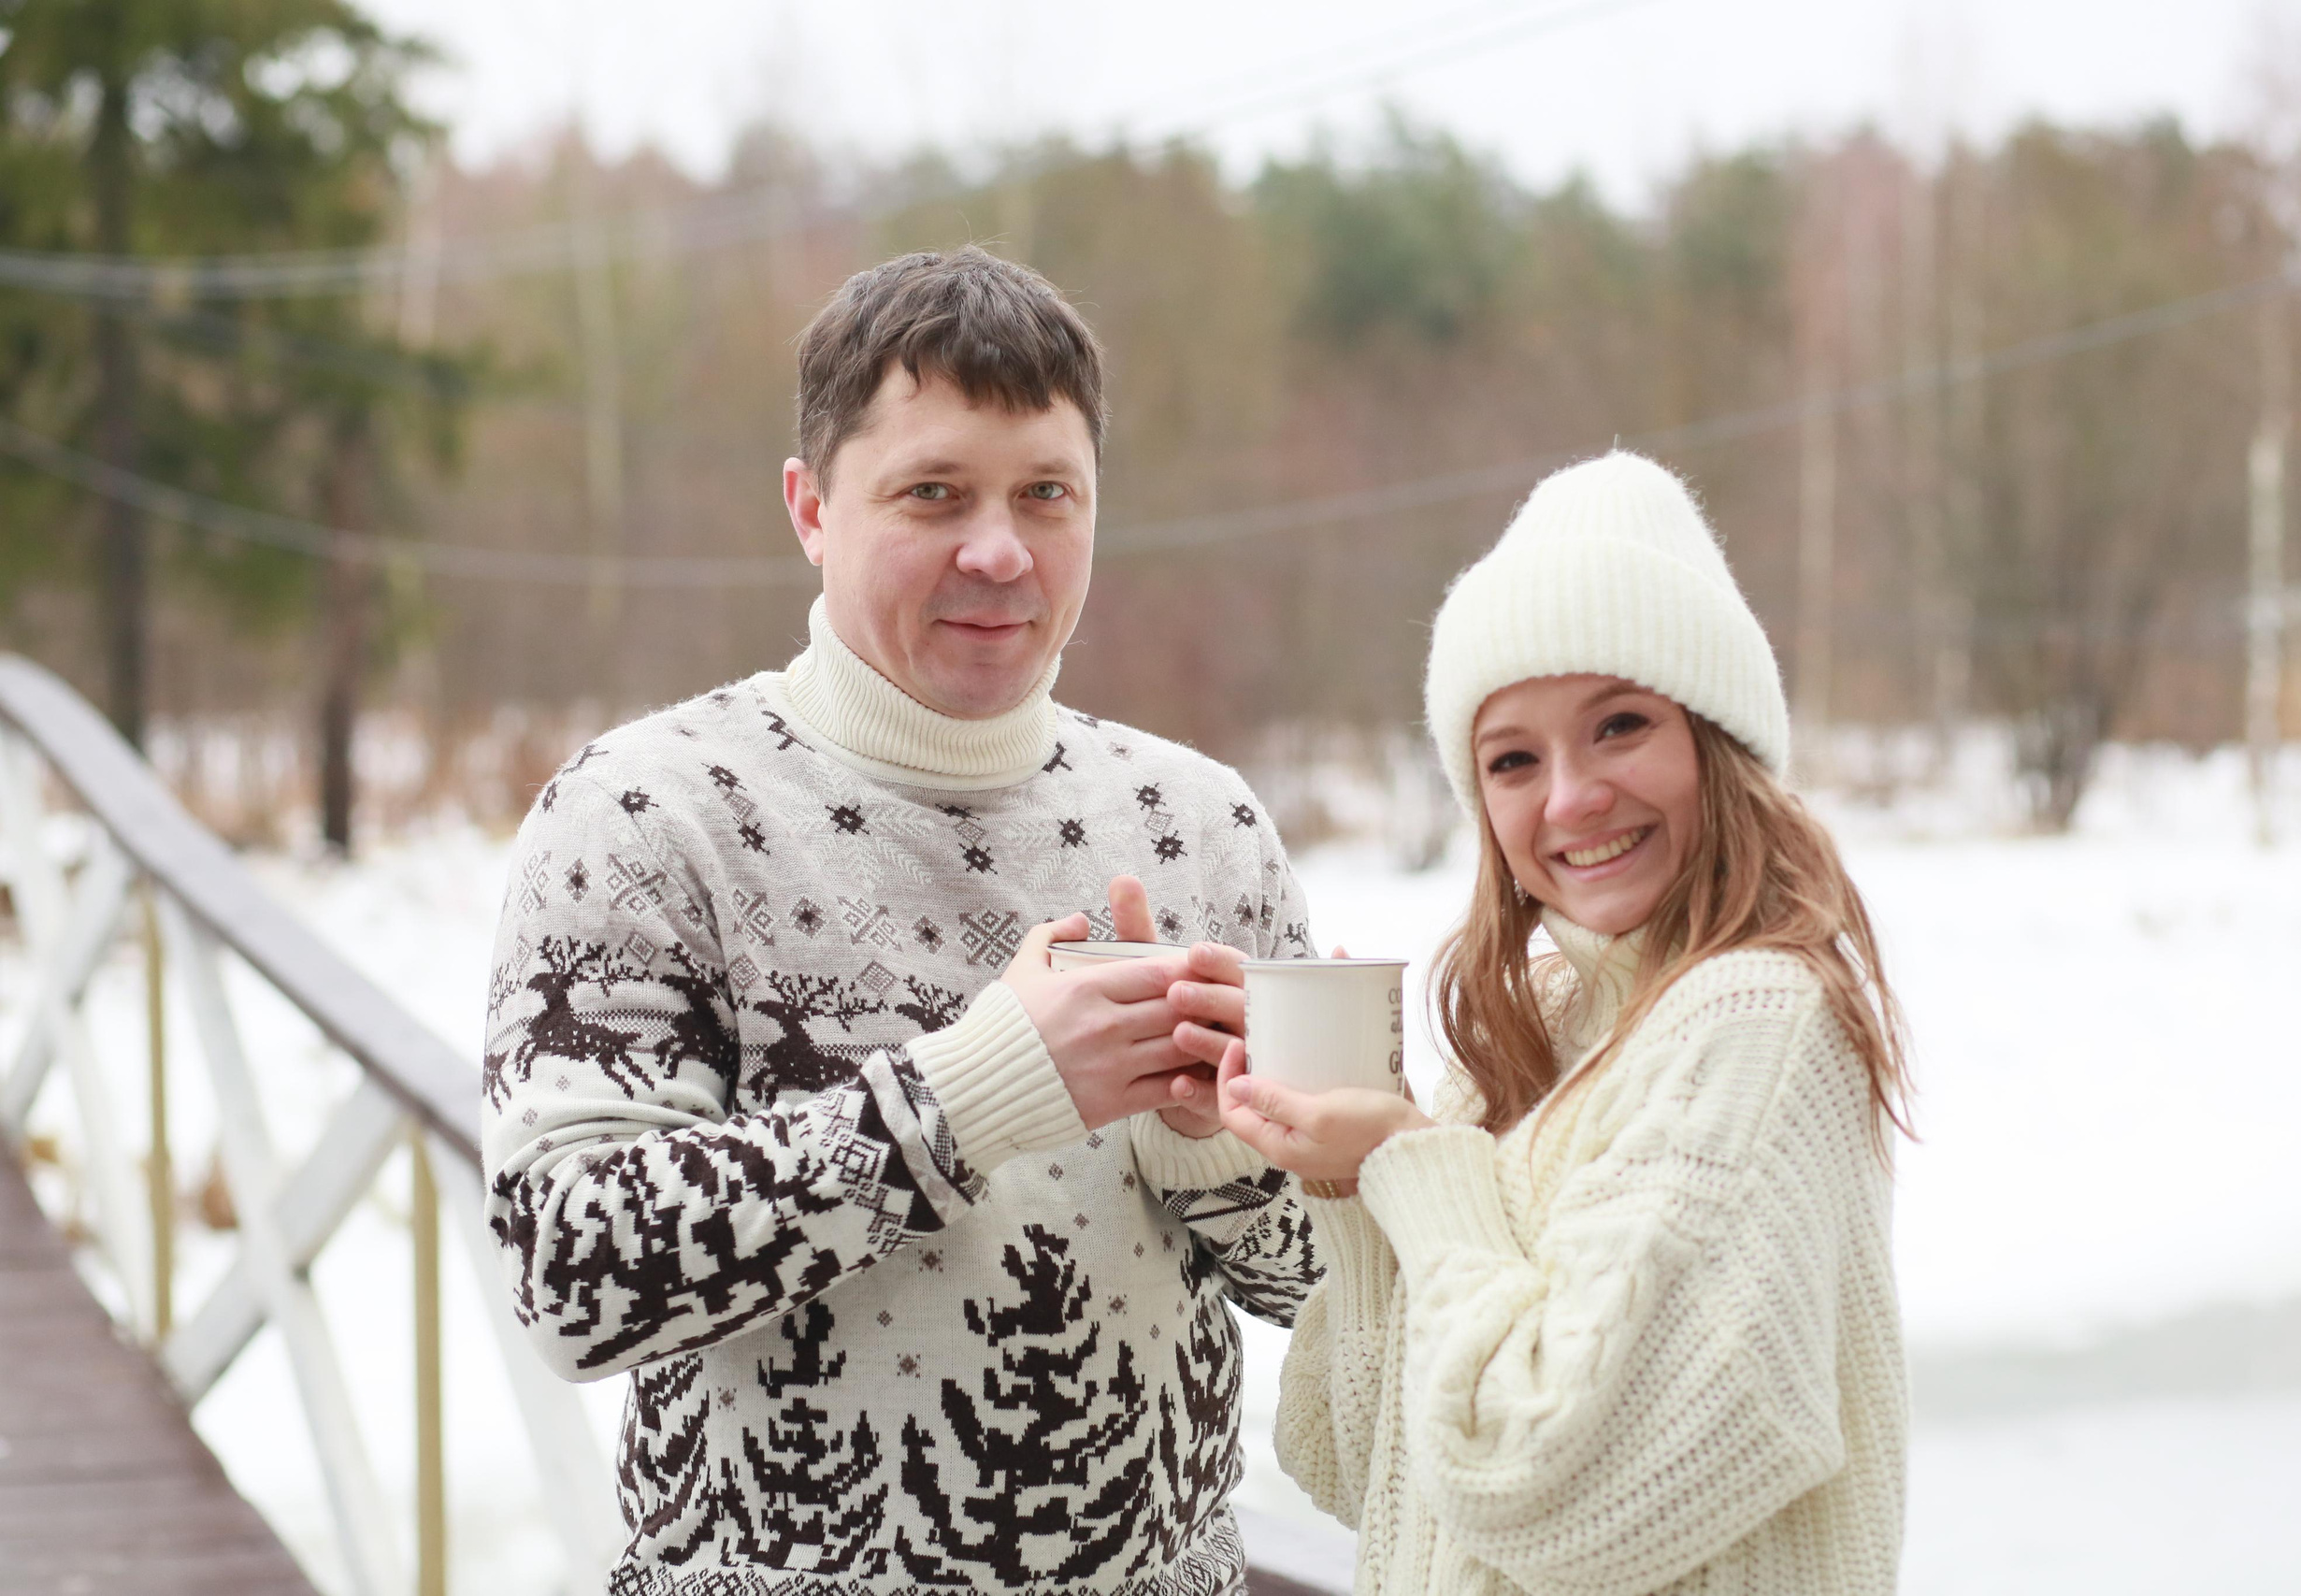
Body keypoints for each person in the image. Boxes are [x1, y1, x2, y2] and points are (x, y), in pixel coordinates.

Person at [481, 247, 1318, 1595]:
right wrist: (967, 1097)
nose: (1000, 549)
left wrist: (1211, 1153)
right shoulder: (645, 813)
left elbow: (1333, 1284)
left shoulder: (1201, 823)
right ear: (811, 508)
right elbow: (569, 1272)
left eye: (1048, 493)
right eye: (933, 493)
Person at [1168, 452, 1911, 1594]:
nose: (1569, 798)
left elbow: (1538, 1482)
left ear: (1719, 744)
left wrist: (1413, 1165)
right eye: (1513, 759)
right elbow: (1359, 1461)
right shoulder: (1538, 1036)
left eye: (1619, 725)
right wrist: (1344, 1185)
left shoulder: (1753, 1019)